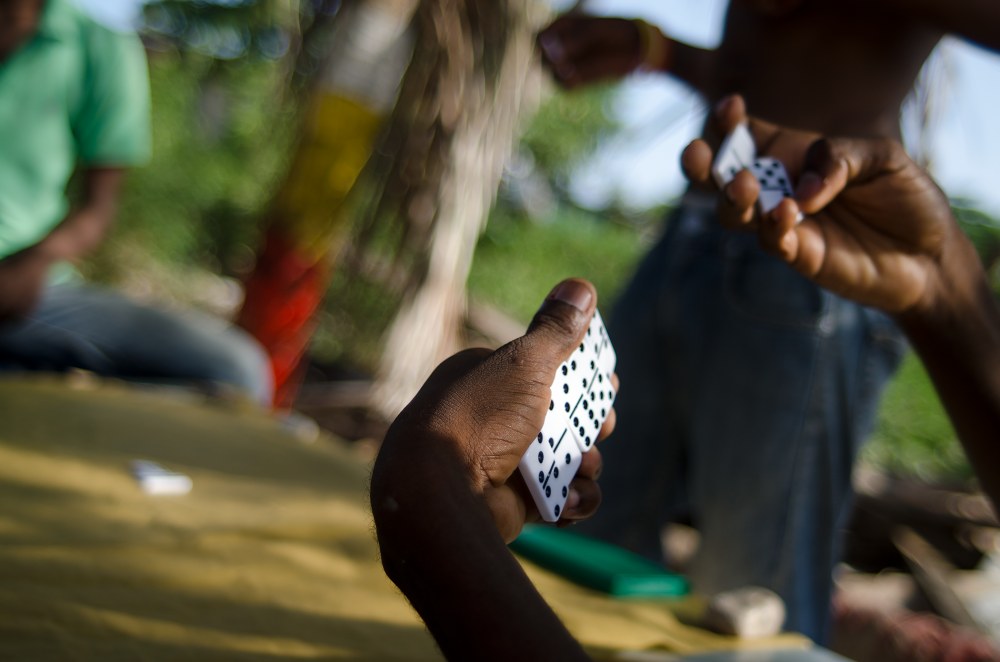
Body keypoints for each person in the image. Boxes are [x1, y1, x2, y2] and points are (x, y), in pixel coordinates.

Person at [371, 101, 1000, 661]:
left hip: (799, 261)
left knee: (753, 603)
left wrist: (429, 491)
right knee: (597, 552)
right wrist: (941, 281)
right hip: (744, 231)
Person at [536, 0, 1000, 642]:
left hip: (821, 253)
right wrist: (658, 51)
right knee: (577, 536)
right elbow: (763, 74)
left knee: (753, 600)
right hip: (694, 231)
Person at [0, 0, 272, 405]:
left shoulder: (99, 47)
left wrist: (34, 262)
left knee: (236, 371)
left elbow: (98, 209)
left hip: (29, 296)